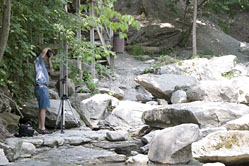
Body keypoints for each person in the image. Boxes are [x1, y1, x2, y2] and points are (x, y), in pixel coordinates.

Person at [34, 47, 54, 134]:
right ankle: (42, 128)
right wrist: (48, 48)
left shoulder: (43, 66)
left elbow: (51, 71)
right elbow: (43, 52)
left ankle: (40, 127)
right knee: (43, 108)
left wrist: (49, 59)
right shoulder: (38, 61)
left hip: (41, 87)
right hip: (41, 87)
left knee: (41, 108)